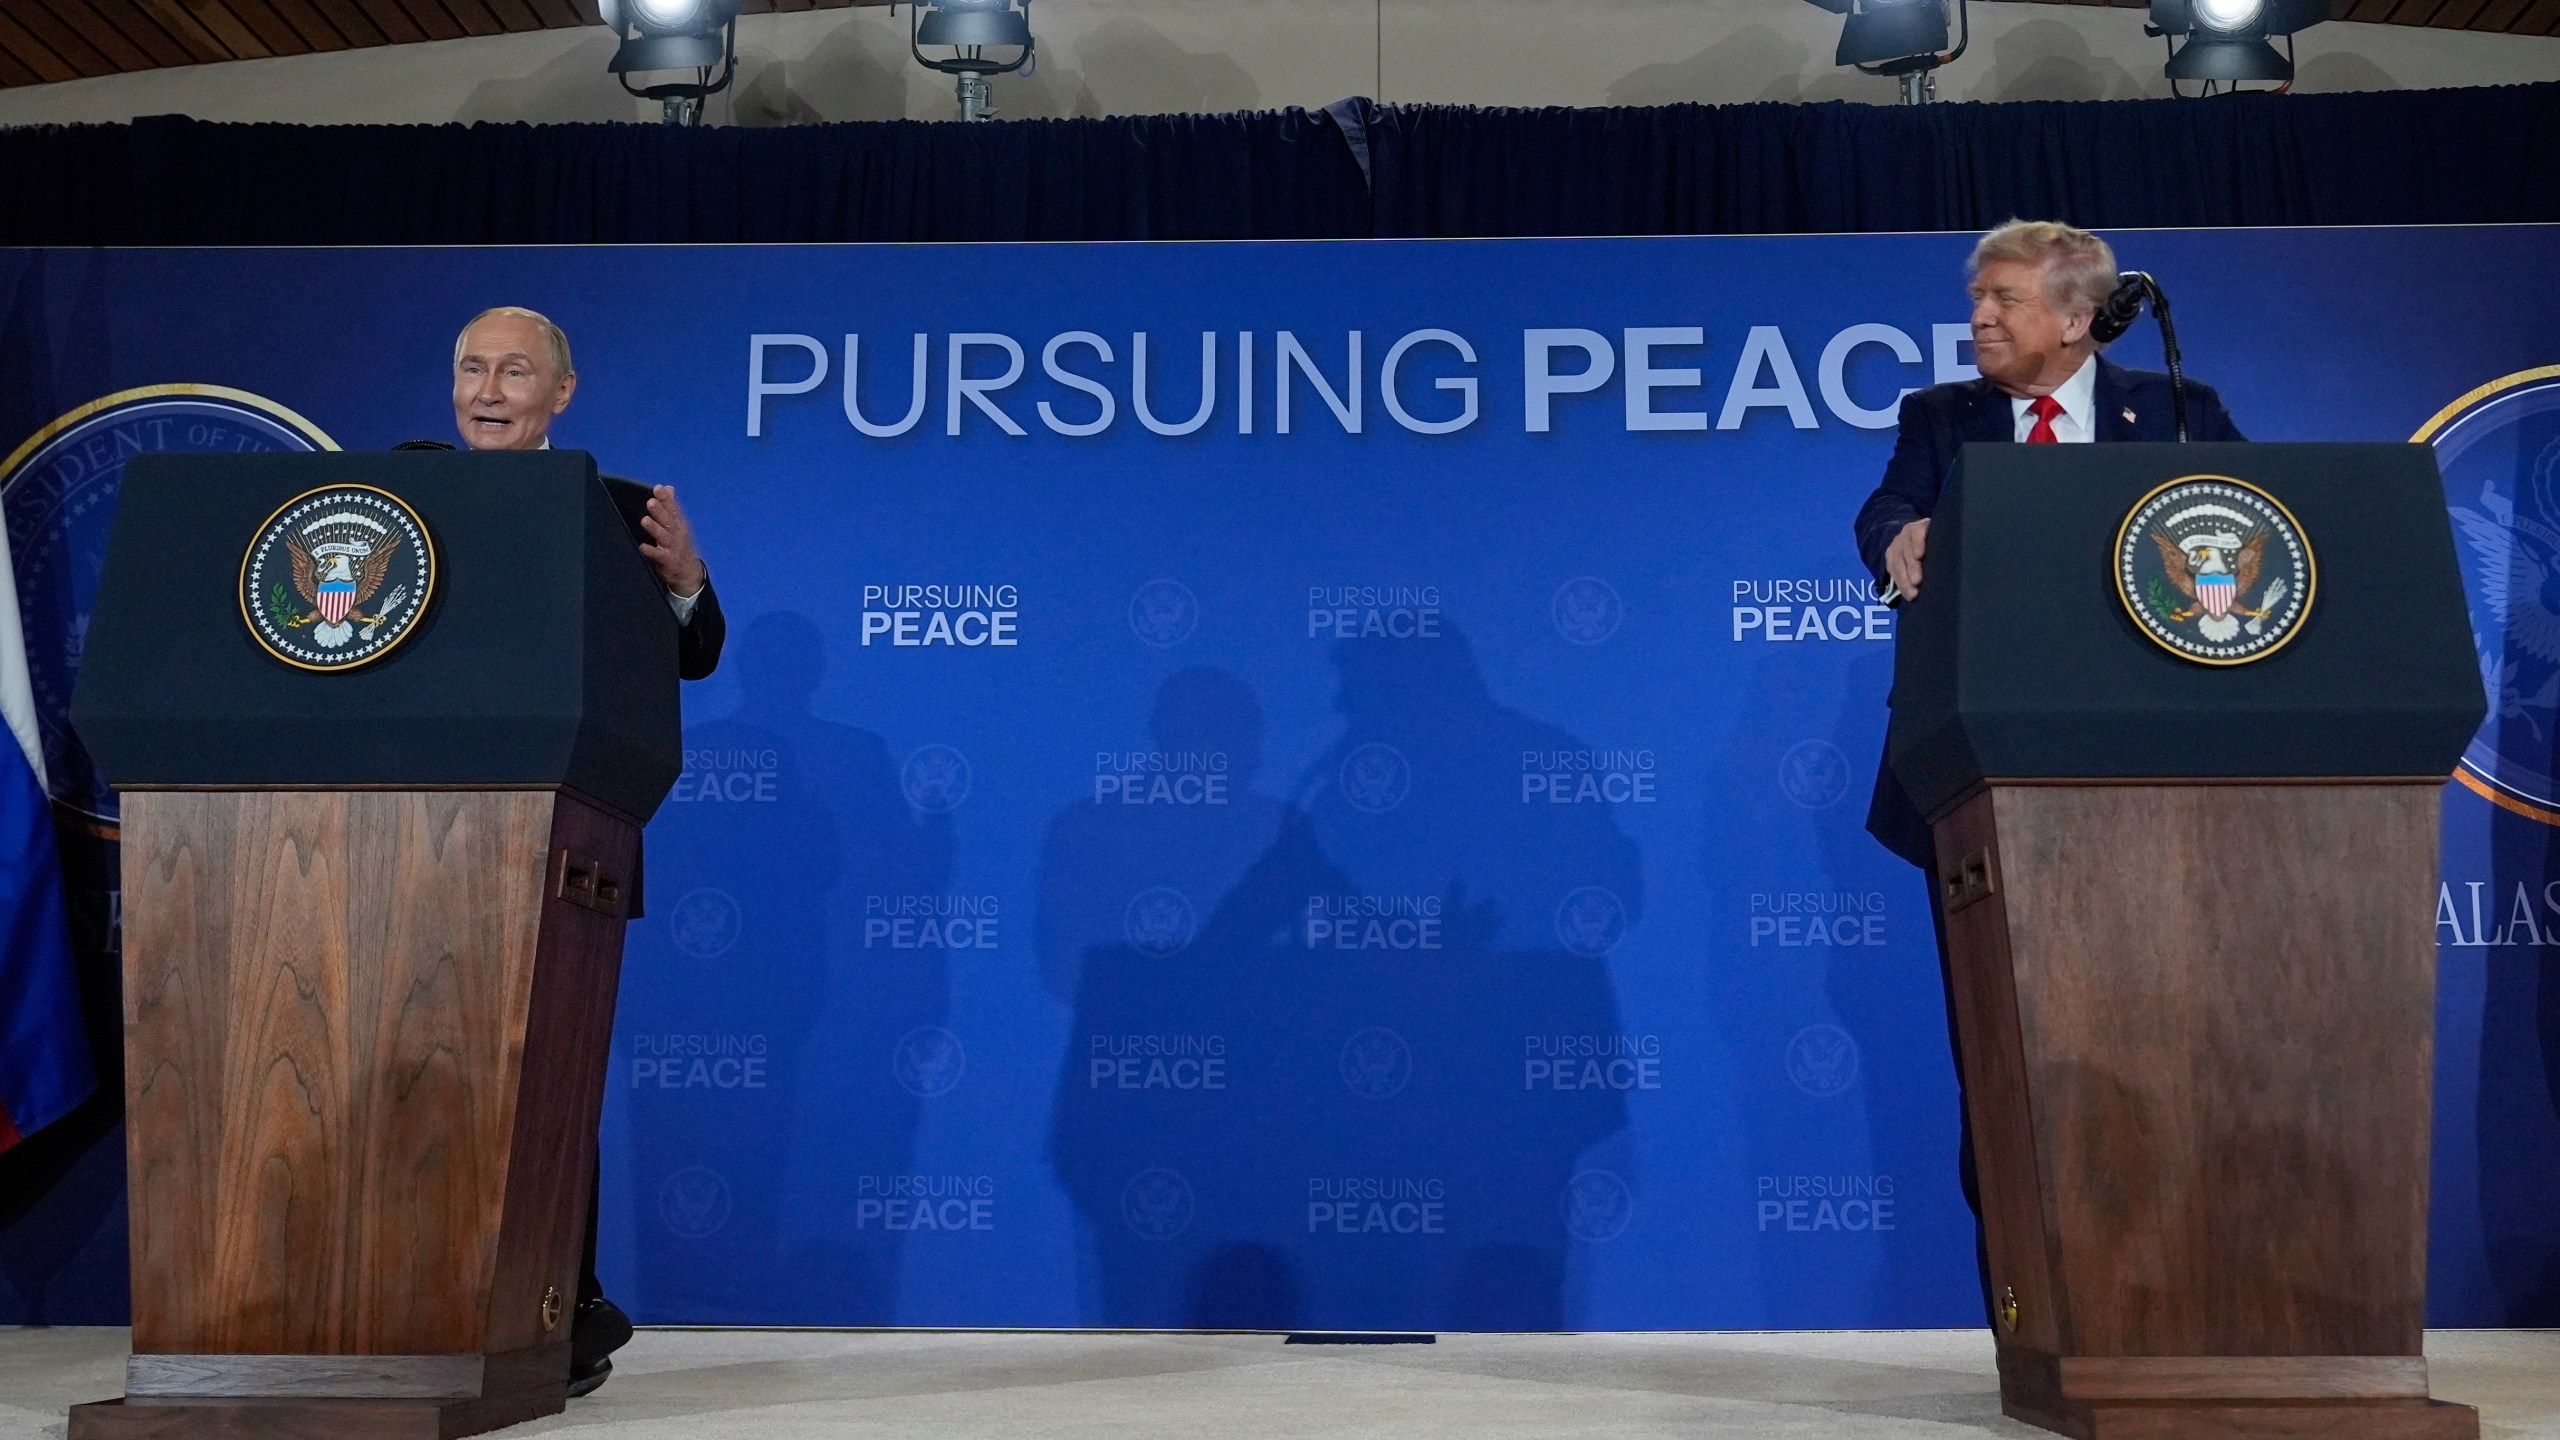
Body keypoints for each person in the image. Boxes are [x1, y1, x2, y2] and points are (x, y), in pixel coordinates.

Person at [1848, 220, 2243, 1317]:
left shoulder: (2175, 410)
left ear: (2074, 321)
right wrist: (1896, 534)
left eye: (2004, 300)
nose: (1978, 317)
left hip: (2154, 782)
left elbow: (2257, 529)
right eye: (1977, 299)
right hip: (1976, 781)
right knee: (2005, 1059)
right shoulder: (1941, 418)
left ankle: (2173, 1300)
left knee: (2164, 1045)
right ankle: (2028, 1316)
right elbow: (1884, 506)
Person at [418, 306, 727, 1396]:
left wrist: (686, 578)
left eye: (513, 370)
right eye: (470, 367)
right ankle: (412, 1303)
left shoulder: (618, 508)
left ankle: (557, 1309)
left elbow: (692, 653)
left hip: (563, 849)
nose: (486, 388)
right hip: (400, 846)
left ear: (562, 393)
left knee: (545, 1087)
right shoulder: (399, 495)